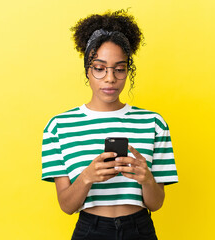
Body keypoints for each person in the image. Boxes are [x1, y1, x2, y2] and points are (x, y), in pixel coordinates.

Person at [41, 9, 178, 240]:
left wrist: (146, 178)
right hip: (90, 230)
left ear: (128, 71)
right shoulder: (59, 126)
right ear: (87, 69)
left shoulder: (154, 123)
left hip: (140, 229)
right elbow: (66, 205)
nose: (110, 78)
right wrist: (86, 177)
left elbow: (156, 204)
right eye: (99, 68)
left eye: (119, 69)